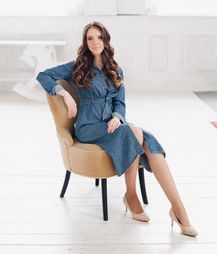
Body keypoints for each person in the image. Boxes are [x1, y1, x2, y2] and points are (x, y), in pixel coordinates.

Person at [36, 21, 198, 237]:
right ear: (85, 43)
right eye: (90, 38)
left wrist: (117, 117)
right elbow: (43, 75)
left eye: (99, 37)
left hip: (111, 125)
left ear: (106, 40)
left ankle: (178, 209)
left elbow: (120, 103)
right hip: (88, 127)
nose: (95, 42)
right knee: (135, 132)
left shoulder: (116, 70)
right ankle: (132, 196)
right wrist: (64, 94)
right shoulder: (78, 67)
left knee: (147, 139)